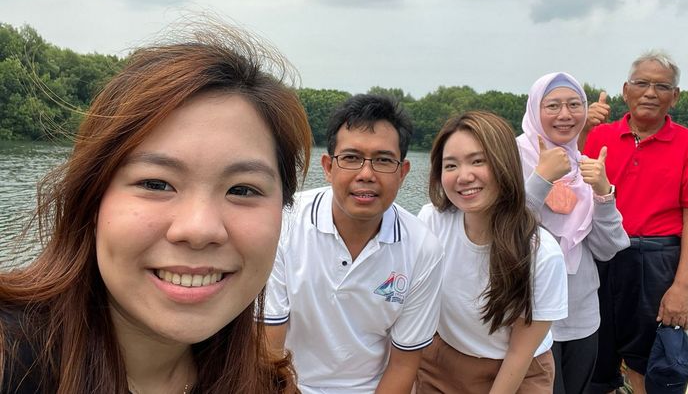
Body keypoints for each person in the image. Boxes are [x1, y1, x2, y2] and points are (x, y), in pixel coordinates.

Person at [0, 23, 312, 393]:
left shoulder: (267, 384)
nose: (199, 229)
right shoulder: (9, 357)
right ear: (92, 199)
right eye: (156, 184)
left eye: (242, 189)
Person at [264, 94, 444, 394]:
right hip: (288, 385)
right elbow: (269, 349)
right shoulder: (286, 223)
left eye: (383, 160)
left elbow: (403, 365)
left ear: (403, 172)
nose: (366, 174)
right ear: (328, 166)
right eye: (351, 158)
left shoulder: (423, 248)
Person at [580, 51, 688, 394]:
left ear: (675, 96)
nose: (650, 92)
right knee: (595, 360)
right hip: (599, 257)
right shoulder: (600, 137)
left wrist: (682, 288)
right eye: (641, 83)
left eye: (661, 86)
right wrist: (583, 129)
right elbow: (570, 190)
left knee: (648, 365)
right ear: (625, 90)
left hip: (655, 262)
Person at [415, 110, 568, 394]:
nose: (464, 176)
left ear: (504, 165)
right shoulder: (431, 222)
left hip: (517, 373)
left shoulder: (540, 254)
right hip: (443, 361)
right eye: (450, 166)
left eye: (478, 161)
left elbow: (519, 354)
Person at [517, 73, 629, 394]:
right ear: (535, 109)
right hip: (529, 312)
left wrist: (604, 192)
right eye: (552, 105)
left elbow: (607, 249)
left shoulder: (584, 166)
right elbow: (504, 231)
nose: (565, 115)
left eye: (574, 105)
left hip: (581, 314)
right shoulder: (512, 156)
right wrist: (541, 178)